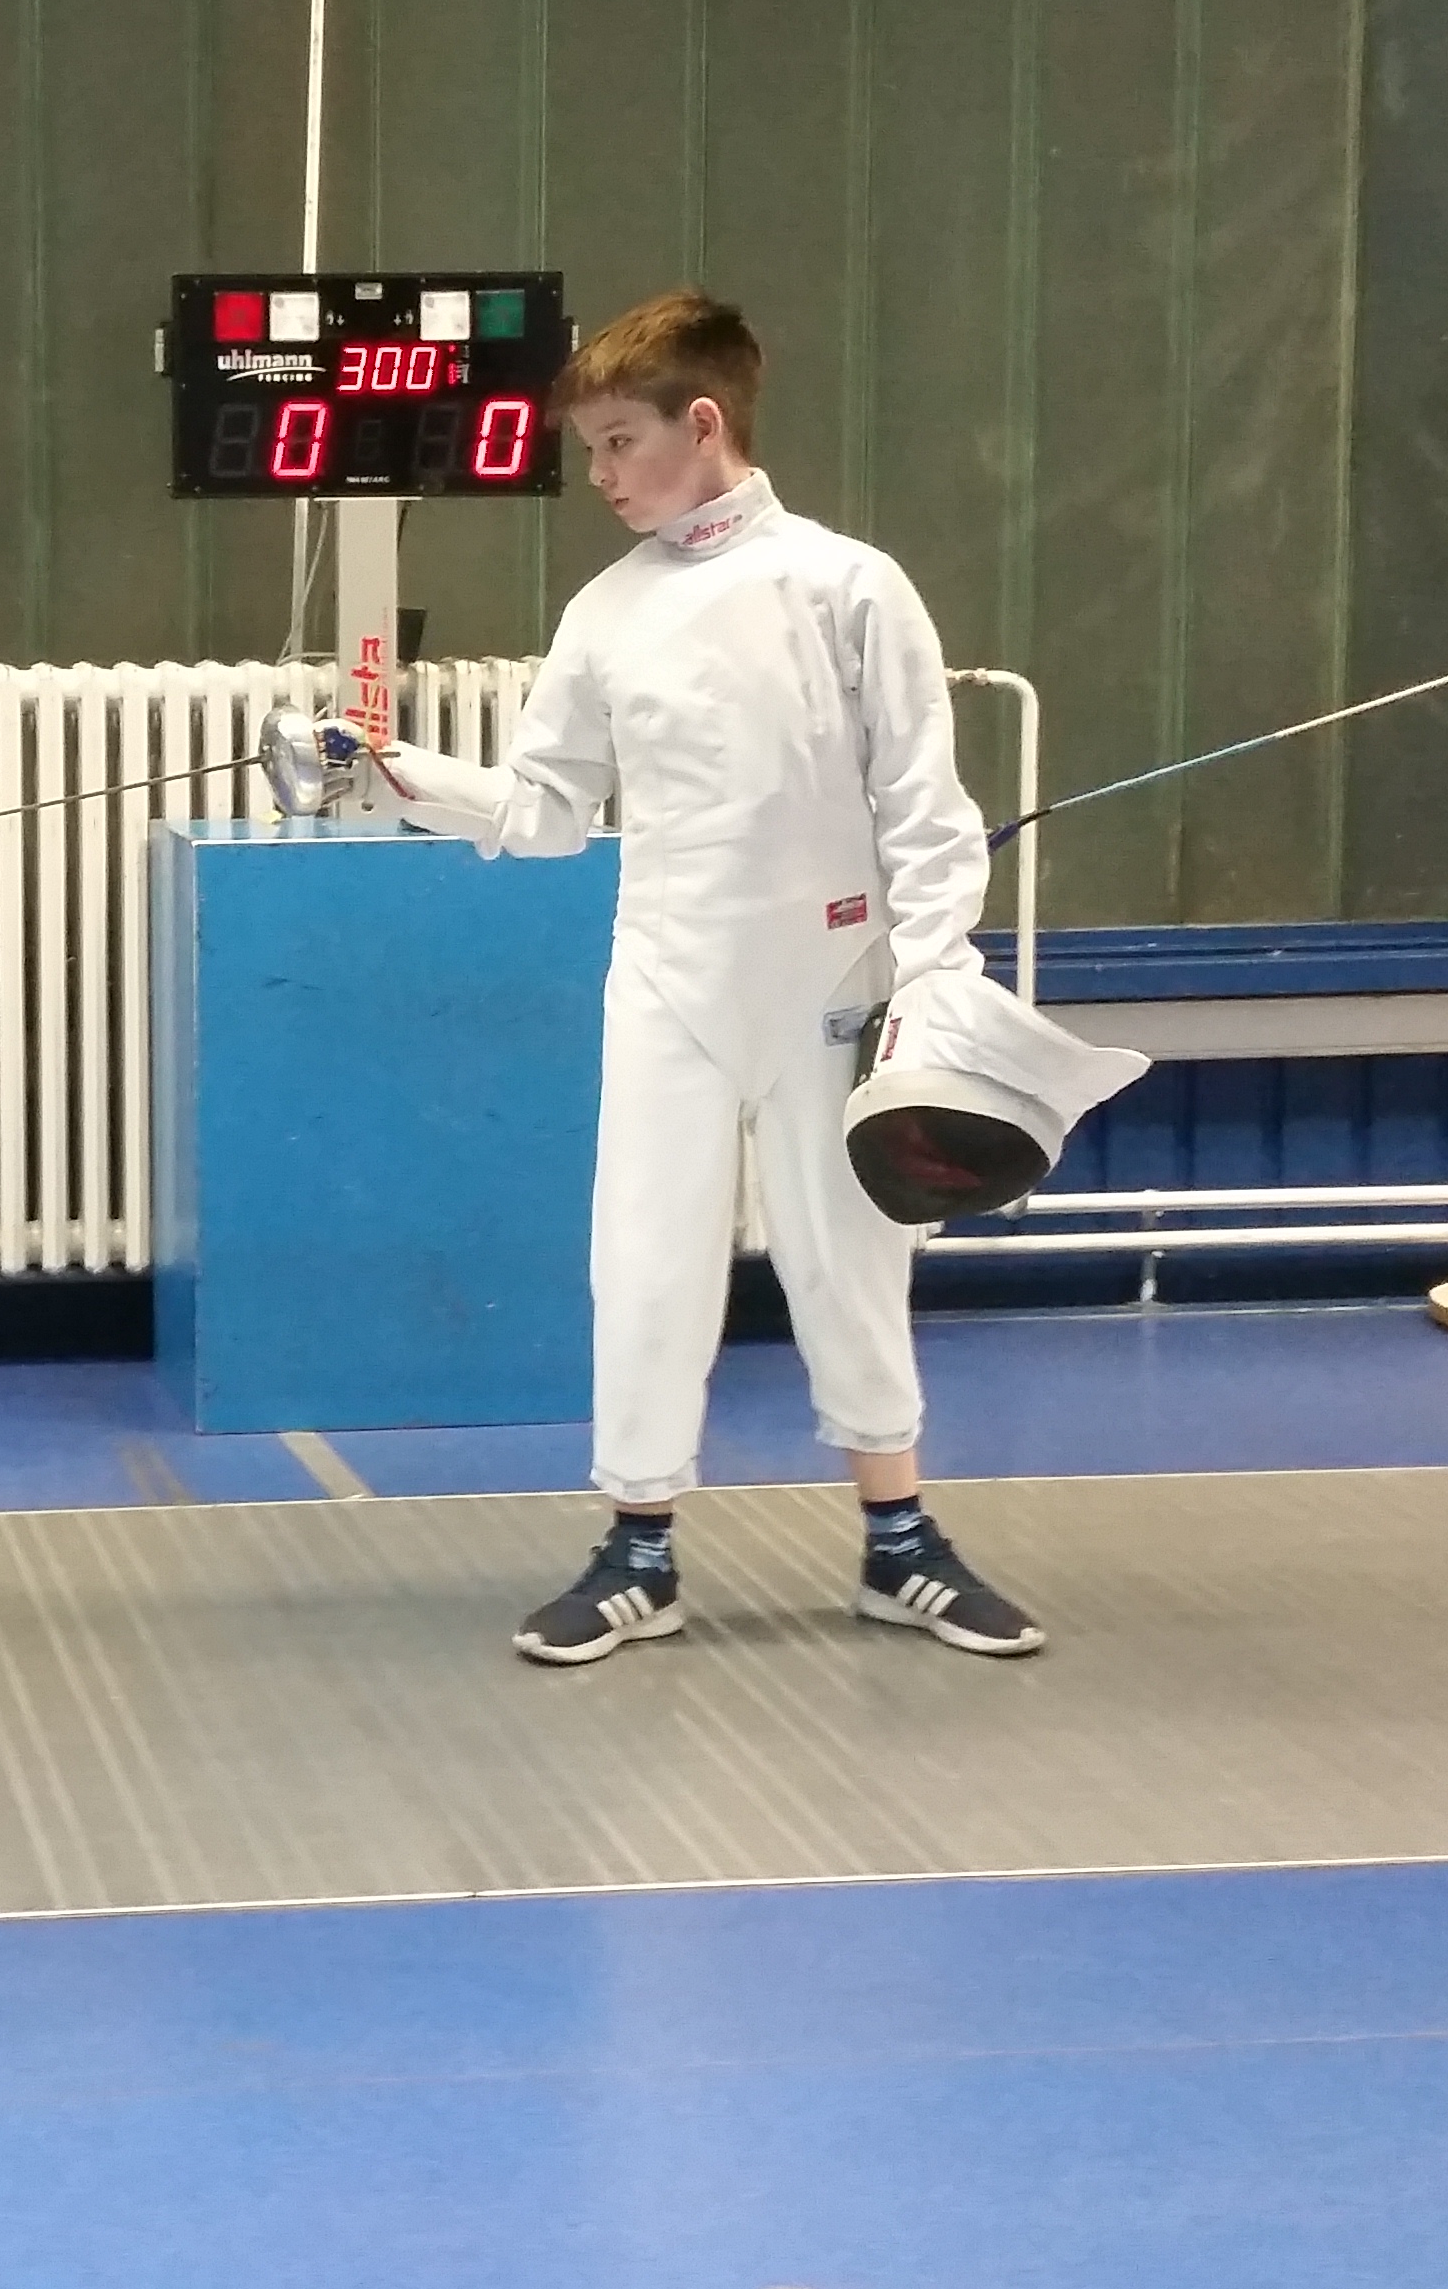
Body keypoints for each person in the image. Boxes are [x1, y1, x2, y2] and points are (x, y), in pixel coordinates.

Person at [336, 291, 1081, 1666]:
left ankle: (901, 1545)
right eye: (590, 452)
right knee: (644, 1266)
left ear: (703, 423)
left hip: (834, 981)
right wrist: (391, 774)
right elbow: (545, 811)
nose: (603, 477)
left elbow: (925, 807)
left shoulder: (849, 584)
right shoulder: (606, 612)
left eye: (621, 443)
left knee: (849, 1261)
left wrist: (932, 983)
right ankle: (638, 1554)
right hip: (669, 984)